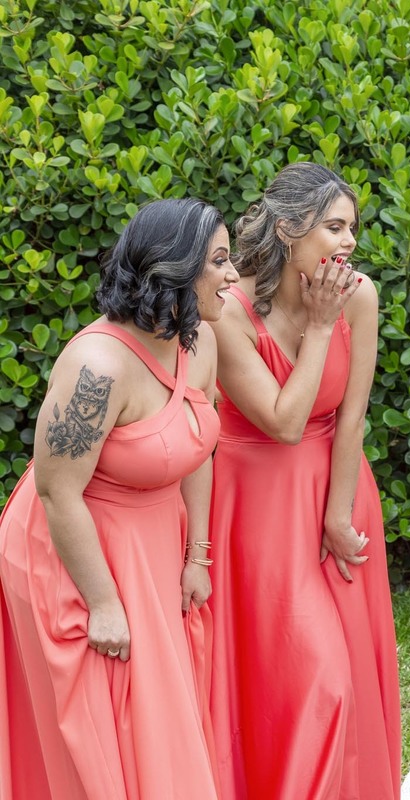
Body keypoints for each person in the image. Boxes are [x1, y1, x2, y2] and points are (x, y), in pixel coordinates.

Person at [0, 198, 237, 798]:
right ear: (174, 268)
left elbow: (197, 447)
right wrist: (103, 603)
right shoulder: (96, 368)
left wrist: (197, 556)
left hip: (153, 536)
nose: (233, 276)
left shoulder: (200, 339)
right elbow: (57, 491)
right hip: (75, 544)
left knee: (160, 707)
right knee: (109, 717)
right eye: (220, 261)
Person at [207, 162, 401, 800]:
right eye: (335, 227)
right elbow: (284, 422)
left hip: (337, 490)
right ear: (290, 231)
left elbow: (352, 418)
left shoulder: (361, 294)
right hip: (255, 504)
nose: (349, 243)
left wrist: (339, 513)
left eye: (353, 228)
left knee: (344, 673)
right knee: (311, 680)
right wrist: (319, 328)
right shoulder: (229, 311)